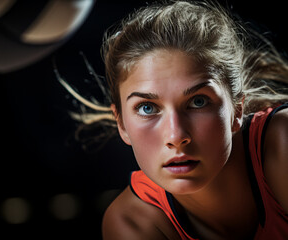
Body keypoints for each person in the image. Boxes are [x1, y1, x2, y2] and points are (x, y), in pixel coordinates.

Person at [59, 0, 288, 239]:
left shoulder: (282, 142)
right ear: (122, 124)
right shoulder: (132, 224)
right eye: (147, 108)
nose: (176, 136)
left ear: (237, 111)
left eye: (198, 101)